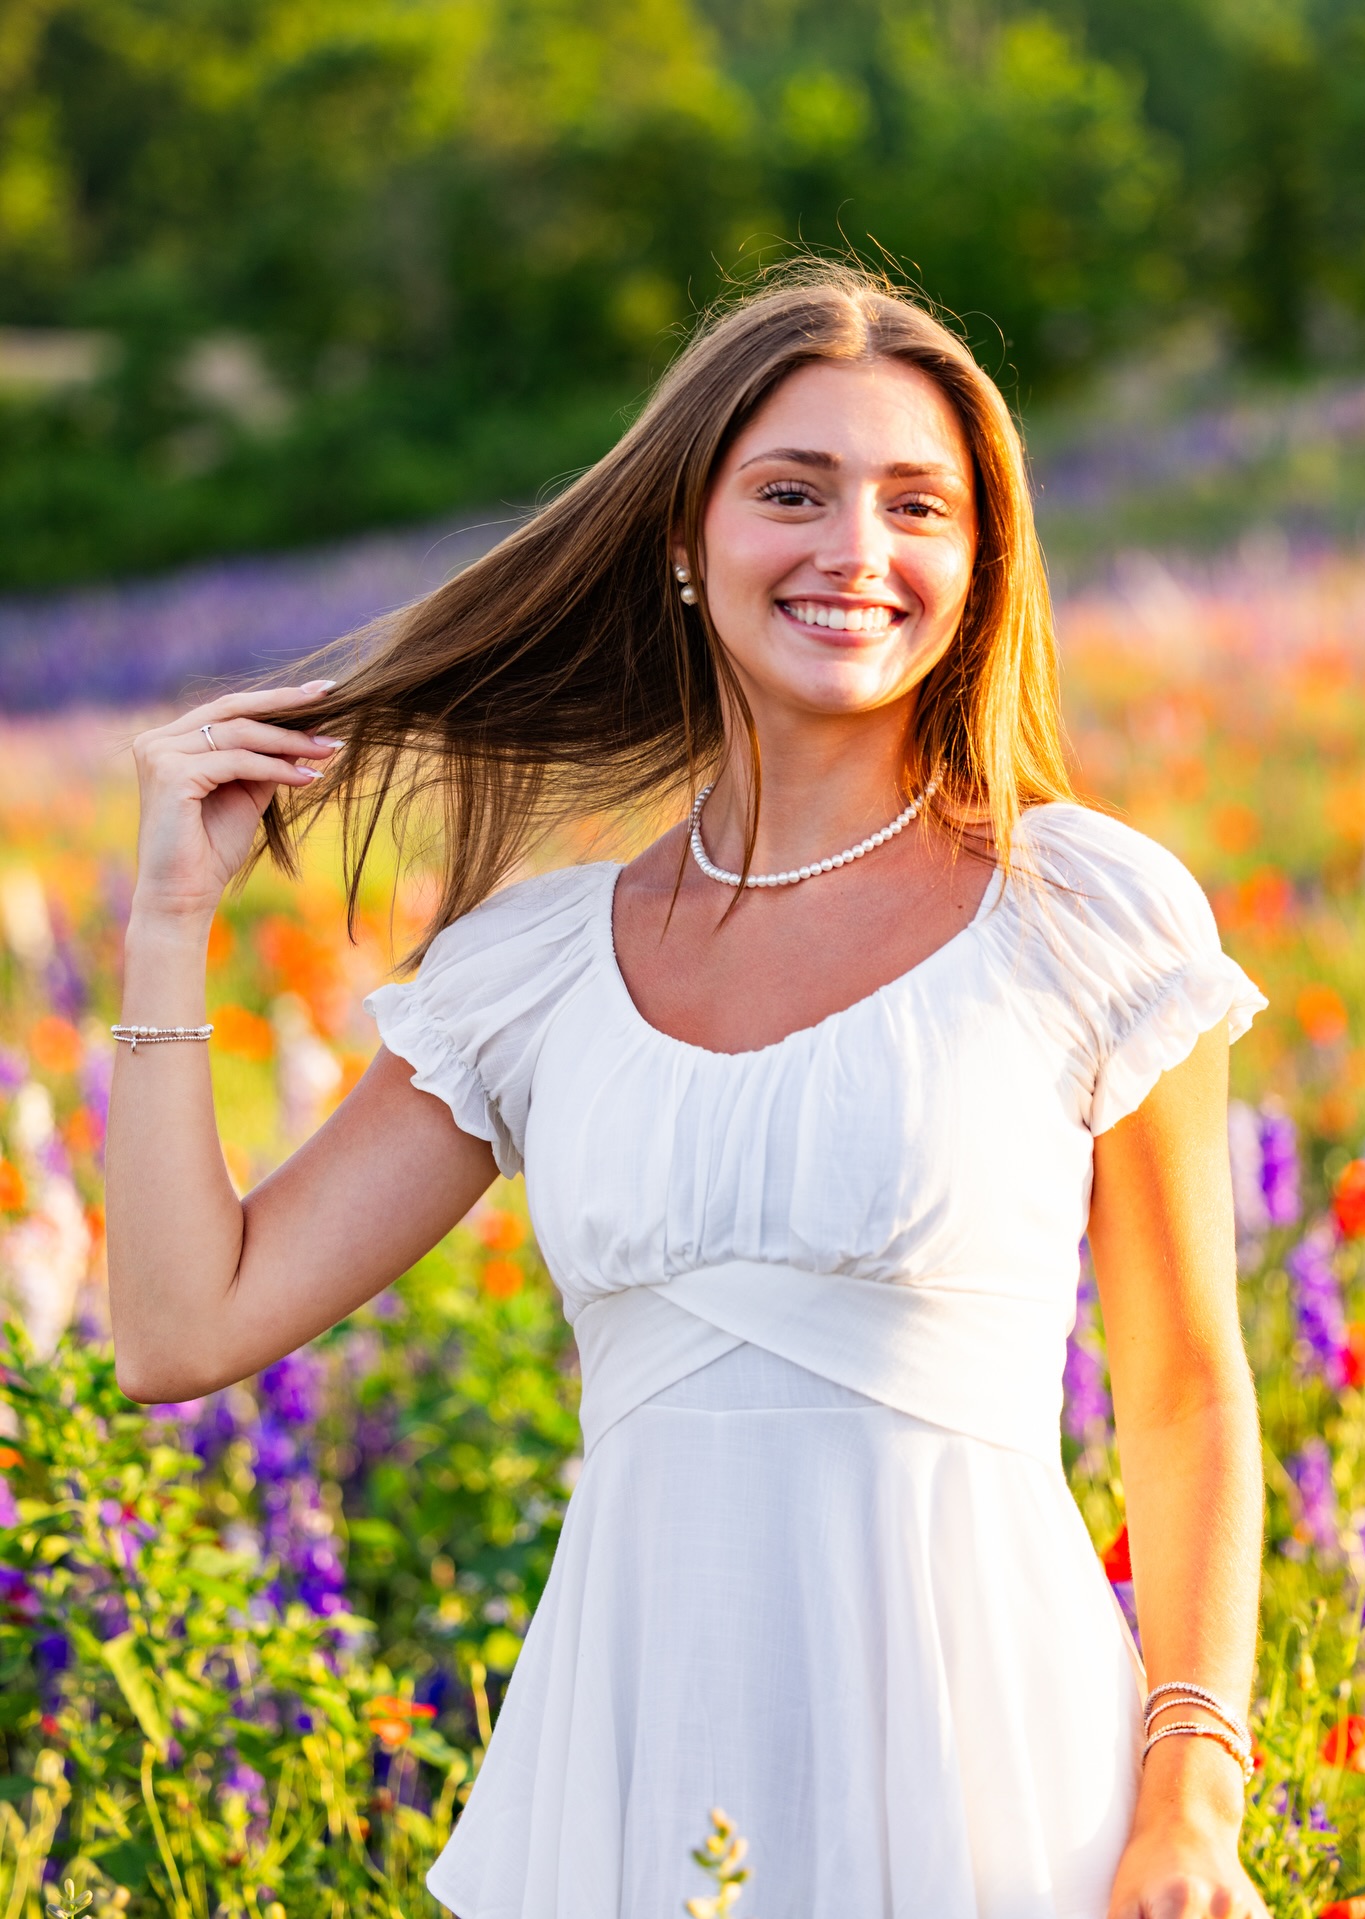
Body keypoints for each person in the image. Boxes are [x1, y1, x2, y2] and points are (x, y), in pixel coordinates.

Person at [107, 264, 1270, 1919]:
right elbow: (179, 1331)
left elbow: (1188, 1394)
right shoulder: (536, 971)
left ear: (978, 565)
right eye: (792, 492)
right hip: (641, 1775)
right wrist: (168, 923)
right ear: (683, 537)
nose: (856, 550)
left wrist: (1192, 1798)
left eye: (917, 506)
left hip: (999, 1779)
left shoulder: (1081, 911)